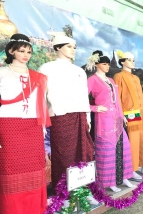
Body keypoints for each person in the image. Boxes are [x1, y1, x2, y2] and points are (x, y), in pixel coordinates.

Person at [38, 32, 96, 204]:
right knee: (63, 155)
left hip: (80, 115)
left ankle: (83, 190)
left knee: (84, 153)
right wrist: (42, 123)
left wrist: (88, 118)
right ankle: (62, 194)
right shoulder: (46, 68)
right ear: (57, 48)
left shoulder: (79, 71)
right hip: (60, 117)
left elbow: (83, 96)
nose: (73, 50)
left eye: (74, 47)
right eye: (69, 47)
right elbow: (41, 97)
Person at [0, 33, 51, 214]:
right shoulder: (2, 72)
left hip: (33, 128)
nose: (26, 55)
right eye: (22, 51)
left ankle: (35, 209)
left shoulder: (38, 76)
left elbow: (41, 105)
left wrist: (43, 128)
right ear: (12, 50)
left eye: (29, 52)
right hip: (8, 126)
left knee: (35, 169)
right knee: (10, 169)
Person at [86, 50, 134, 191]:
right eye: (104, 64)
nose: (107, 66)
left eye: (108, 64)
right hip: (104, 120)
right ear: (97, 64)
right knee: (107, 150)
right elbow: (82, 99)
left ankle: (124, 176)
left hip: (117, 118)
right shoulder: (92, 80)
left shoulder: (111, 80)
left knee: (124, 147)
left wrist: (122, 115)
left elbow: (117, 100)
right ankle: (109, 181)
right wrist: (94, 108)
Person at [113, 50, 143, 179]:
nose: (132, 62)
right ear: (122, 62)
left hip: (141, 112)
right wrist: (121, 114)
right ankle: (132, 169)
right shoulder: (118, 76)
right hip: (130, 112)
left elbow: (142, 96)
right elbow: (117, 97)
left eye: (133, 60)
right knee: (134, 141)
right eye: (129, 60)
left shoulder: (136, 78)